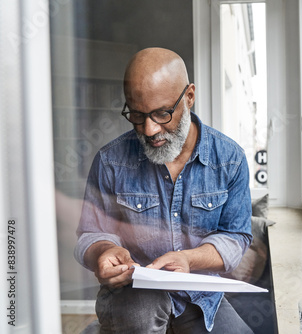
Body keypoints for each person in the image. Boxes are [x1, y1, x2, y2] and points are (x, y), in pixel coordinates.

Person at [74, 47, 254, 333]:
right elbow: (90, 234)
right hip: (132, 297)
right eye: (136, 115)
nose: (148, 129)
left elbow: (236, 236)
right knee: (140, 318)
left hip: (201, 299)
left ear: (189, 97)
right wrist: (103, 251)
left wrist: (188, 258)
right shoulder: (109, 161)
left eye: (161, 114)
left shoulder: (230, 159)